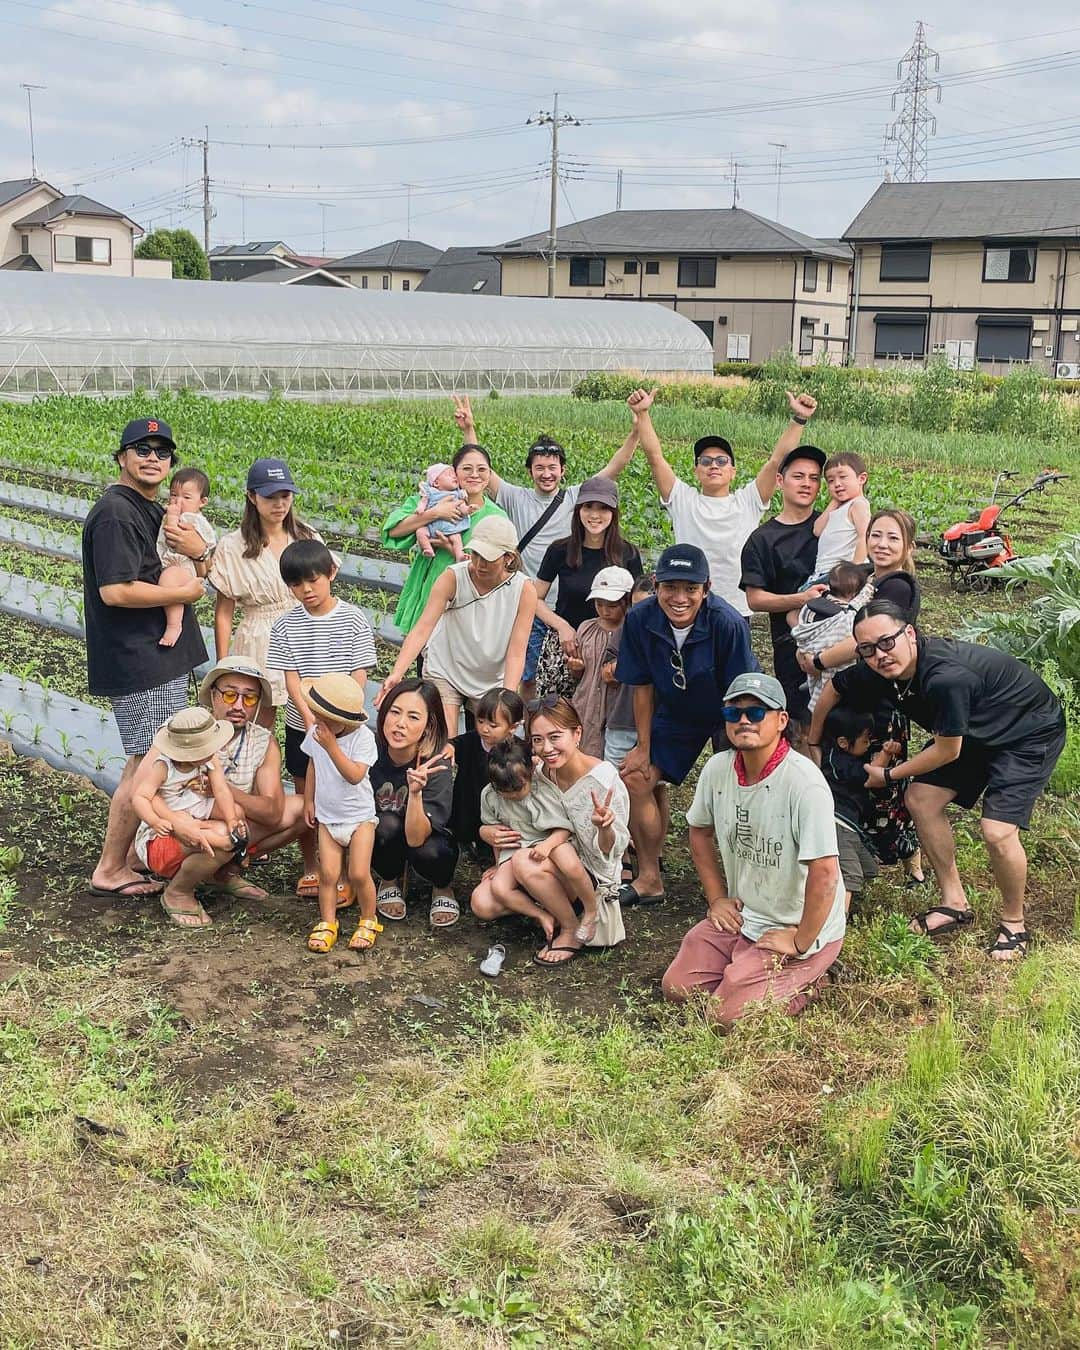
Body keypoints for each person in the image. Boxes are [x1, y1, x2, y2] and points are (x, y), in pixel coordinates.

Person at [812, 601, 1067, 961]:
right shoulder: (877, 669)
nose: (880, 655)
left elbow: (947, 751)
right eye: (867, 650)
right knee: (921, 800)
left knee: (997, 831)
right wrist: (812, 740)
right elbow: (834, 689)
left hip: (1027, 731)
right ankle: (953, 902)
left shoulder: (946, 677)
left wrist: (887, 774)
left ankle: (1014, 922)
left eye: (887, 642)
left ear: (910, 633)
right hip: (972, 730)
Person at [662, 673, 846, 1028]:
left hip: (795, 922)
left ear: (781, 721)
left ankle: (814, 974)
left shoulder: (804, 783)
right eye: (734, 713)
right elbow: (699, 832)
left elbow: (825, 873)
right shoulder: (718, 769)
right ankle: (743, 971)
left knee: (725, 1019)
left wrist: (802, 939)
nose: (744, 720)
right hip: (745, 914)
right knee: (678, 989)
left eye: (757, 713)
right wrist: (717, 899)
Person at [84, 416, 209, 903]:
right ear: (121, 457)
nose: (153, 457)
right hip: (140, 658)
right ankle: (111, 867)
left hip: (156, 655)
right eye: (141, 449)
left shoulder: (148, 508)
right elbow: (115, 590)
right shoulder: (117, 512)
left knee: (143, 760)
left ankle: (131, 856)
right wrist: (188, 591)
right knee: (147, 762)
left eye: (162, 451)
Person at [454, 394, 639, 692]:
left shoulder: (577, 498)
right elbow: (482, 472)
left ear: (563, 470)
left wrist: (636, 429)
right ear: (530, 471)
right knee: (526, 672)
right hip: (528, 601)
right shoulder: (516, 497)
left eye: (553, 467)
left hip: (568, 602)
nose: (546, 474)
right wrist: (468, 431)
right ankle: (529, 728)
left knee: (573, 676)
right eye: (539, 467)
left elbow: (615, 467)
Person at [615, 543, 757, 907]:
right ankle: (649, 877)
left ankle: (747, 883)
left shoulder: (727, 623)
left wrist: (742, 746)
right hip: (677, 709)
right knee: (635, 776)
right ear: (657, 585)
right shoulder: (640, 619)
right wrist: (643, 748)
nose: (680, 598)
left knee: (743, 792)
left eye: (690, 589)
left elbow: (741, 693)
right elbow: (641, 686)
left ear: (706, 589)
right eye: (670, 587)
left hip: (728, 710)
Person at [629, 387, 819, 615]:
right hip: (692, 605)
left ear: (733, 471)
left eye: (721, 461)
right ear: (696, 470)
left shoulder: (748, 501)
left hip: (737, 608)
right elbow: (655, 457)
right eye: (706, 461)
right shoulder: (683, 501)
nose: (714, 466)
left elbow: (777, 460)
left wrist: (799, 419)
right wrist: (642, 414)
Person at [471, 698, 628, 965]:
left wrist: (605, 827)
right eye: (537, 740)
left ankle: (570, 927)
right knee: (482, 902)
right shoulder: (537, 772)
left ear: (577, 733)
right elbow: (509, 814)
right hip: (543, 863)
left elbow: (612, 852)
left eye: (555, 737)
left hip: (586, 874)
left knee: (524, 860)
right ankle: (547, 909)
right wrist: (487, 834)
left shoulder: (604, 780)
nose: (547, 748)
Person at [266, 539, 377, 899]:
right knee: (308, 797)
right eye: (297, 584)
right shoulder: (285, 625)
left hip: (345, 727)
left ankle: (344, 874)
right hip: (304, 725)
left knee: (344, 795)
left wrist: (340, 716)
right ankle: (312, 867)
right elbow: (292, 679)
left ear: (331, 573)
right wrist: (310, 717)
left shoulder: (353, 618)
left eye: (313, 580)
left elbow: (359, 673)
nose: (306, 590)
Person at [378, 516, 537, 735]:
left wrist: (506, 697)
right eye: (476, 555)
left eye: (488, 559)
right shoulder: (453, 577)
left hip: (490, 677)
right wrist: (397, 672)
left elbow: (517, 652)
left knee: (487, 744)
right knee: (446, 743)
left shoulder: (524, 590)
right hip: (446, 667)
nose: (479, 564)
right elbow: (423, 627)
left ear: (508, 558)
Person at [210, 457, 319, 729]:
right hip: (259, 638)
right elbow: (224, 613)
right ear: (251, 496)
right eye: (270, 497)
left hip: (306, 633)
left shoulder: (307, 537)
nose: (280, 504)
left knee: (311, 718)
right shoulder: (233, 546)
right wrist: (224, 667)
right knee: (257, 723)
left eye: (285, 496)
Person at [196, 655, 307, 898]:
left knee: (302, 807)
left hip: (234, 822)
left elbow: (273, 812)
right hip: (190, 827)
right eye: (229, 695)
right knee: (227, 830)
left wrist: (223, 790)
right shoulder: (192, 731)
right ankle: (178, 890)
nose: (238, 705)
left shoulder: (262, 741)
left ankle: (224, 872)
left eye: (249, 698)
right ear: (213, 695)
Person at [131, 706, 246, 929]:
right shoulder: (163, 767)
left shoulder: (209, 760)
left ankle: (218, 866)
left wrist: (232, 818)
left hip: (195, 820)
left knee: (234, 821)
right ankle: (178, 892)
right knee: (224, 841)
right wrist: (155, 821)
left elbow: (221, 790)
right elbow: (140, 797)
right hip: (162, 840)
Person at [739, 442, 828, 729]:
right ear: (780, 481)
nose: (807, 484)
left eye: (814, 478)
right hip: (792, 645)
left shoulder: (832, 526)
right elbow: (755, 599)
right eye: (798, 476)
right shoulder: (763, 539)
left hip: (839, 641)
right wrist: (801, 599)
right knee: (802, 725)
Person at [479, 737, 601, 943]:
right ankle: (541, 914)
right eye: (503, 792)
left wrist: (547, 845)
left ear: (530, 772)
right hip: (515, 850)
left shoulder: (542, 790)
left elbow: (564, 829)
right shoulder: (490, 796)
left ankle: (586, 909)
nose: (511, 796)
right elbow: (497, 835)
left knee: (564, 855)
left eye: (518, 789)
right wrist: (498, 863)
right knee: (497, 888)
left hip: (548, 846)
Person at [382, 442, 508, 637]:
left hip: (462, 608)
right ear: (454, 473)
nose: (474, 474)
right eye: (467, 468)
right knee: (422, 660)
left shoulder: (495, 517)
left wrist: (451, 549)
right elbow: (393, 531)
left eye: (482, 469)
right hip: (424, 599)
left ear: (490, 474)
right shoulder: (430, 500)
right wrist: (435, 513)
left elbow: (499, 574)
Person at [533, 476, 643, 697]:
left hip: (611, 646)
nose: (595, 515)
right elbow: (535, 598)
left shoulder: (627, 553)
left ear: (614, 513)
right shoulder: (560, 550)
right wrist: (562, 627)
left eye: (603, 508)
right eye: (588, 507)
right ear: (578, 511)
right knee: (557, 714)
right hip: (567, 645)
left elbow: (638, 605)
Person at [299, 674, 381, 955]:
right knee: (328, 875)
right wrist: (309, 800)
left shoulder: (363, 738)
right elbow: (312, 765)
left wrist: (332, 747)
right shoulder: (316, 734)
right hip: (328, 818)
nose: (318, 722)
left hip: (359, 818)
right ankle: (328, 921)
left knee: (358, 873)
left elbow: (355, 775)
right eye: (315, 715)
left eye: (324, 718)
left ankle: (369, 918)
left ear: (344, 721)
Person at [369, 680, 459, 927]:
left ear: (428, 726)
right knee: (382, 824)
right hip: (388, 832)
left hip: (425, 838)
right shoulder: (367, 748)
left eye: (413, 717)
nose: (400, 724)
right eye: (395, 712)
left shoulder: (437, 763)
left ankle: (442, 887)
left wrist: (416, 793)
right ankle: (389, 878)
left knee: (432, 851)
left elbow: (417, 838)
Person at [795, 508, 920, 683]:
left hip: (869, 681)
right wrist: (804, 648)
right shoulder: (861, 575)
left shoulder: (898, 587)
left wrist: (818, 661)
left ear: (909, 548)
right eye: (876, 535)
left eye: (893, 538)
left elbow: (867, 639)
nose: (882, 544)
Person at [819, 705, 901, 911]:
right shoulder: (835, 762)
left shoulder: (848, 758)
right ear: (843, 742)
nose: (867, 745)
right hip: (837, 822)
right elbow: (870, 778)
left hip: (851, 827)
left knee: (868, 869)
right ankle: (838, 920)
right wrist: (885, 753)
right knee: (851, 874)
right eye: (865, 741)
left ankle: (828, 890)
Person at [567, 565, 635, 758]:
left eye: (612, 605)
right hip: (586, 703)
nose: (605, 610)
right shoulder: (586, 628)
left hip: (616, 708)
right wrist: (576, 668)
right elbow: (578, 673)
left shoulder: (631, 630)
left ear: (627, 601)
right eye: (599, 604)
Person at [450, 687, 525, 860]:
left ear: (513, 727)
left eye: (493, 725)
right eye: (480, 721)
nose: (484, 729)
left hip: (498, 809)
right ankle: (465, 843)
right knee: (463, 824)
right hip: (469, 800)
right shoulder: (471, 740)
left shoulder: (519, 750)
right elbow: (454, 743)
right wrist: (449, 747)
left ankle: (490, 856)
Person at [790, 561, 874, 713]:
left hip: (810, 658)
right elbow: (860, 602)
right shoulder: (847, 616)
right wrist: (869, 588)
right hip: (832, 667)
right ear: (853, 594)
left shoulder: (811, 606)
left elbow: (801, 629)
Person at [156, 467, 215, 647]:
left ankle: (174, 625)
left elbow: (174, 534)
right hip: (177, 563)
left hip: (184, 566)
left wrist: (172, 515)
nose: (178, 501)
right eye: (174, 495)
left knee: (169, 579)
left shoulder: (192, 519)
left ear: (202, 501)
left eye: (186, 497)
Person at [414, 462, 472, 560]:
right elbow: (423, 501)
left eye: (454, 475)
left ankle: (460, 556)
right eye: (449, 475)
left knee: (457, 539)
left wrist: (467, 509)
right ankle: (427, 548)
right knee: (420, 532)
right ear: (436, 483)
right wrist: (420, 508)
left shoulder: (457, 494)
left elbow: (462, 506)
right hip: (431, 525)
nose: (454, 477)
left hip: (450, 526)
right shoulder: (430, 492)